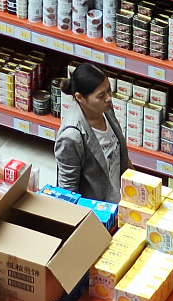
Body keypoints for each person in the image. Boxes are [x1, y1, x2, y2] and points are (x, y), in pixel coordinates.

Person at [54, 62, 130, 203]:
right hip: (99, 211)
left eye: (109, 90)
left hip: (121, 199)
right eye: (101, 95)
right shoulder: (71, 136)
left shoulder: (104, 108)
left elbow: (119, 154)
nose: (108, 98)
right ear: (80, 97)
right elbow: (67, 192)